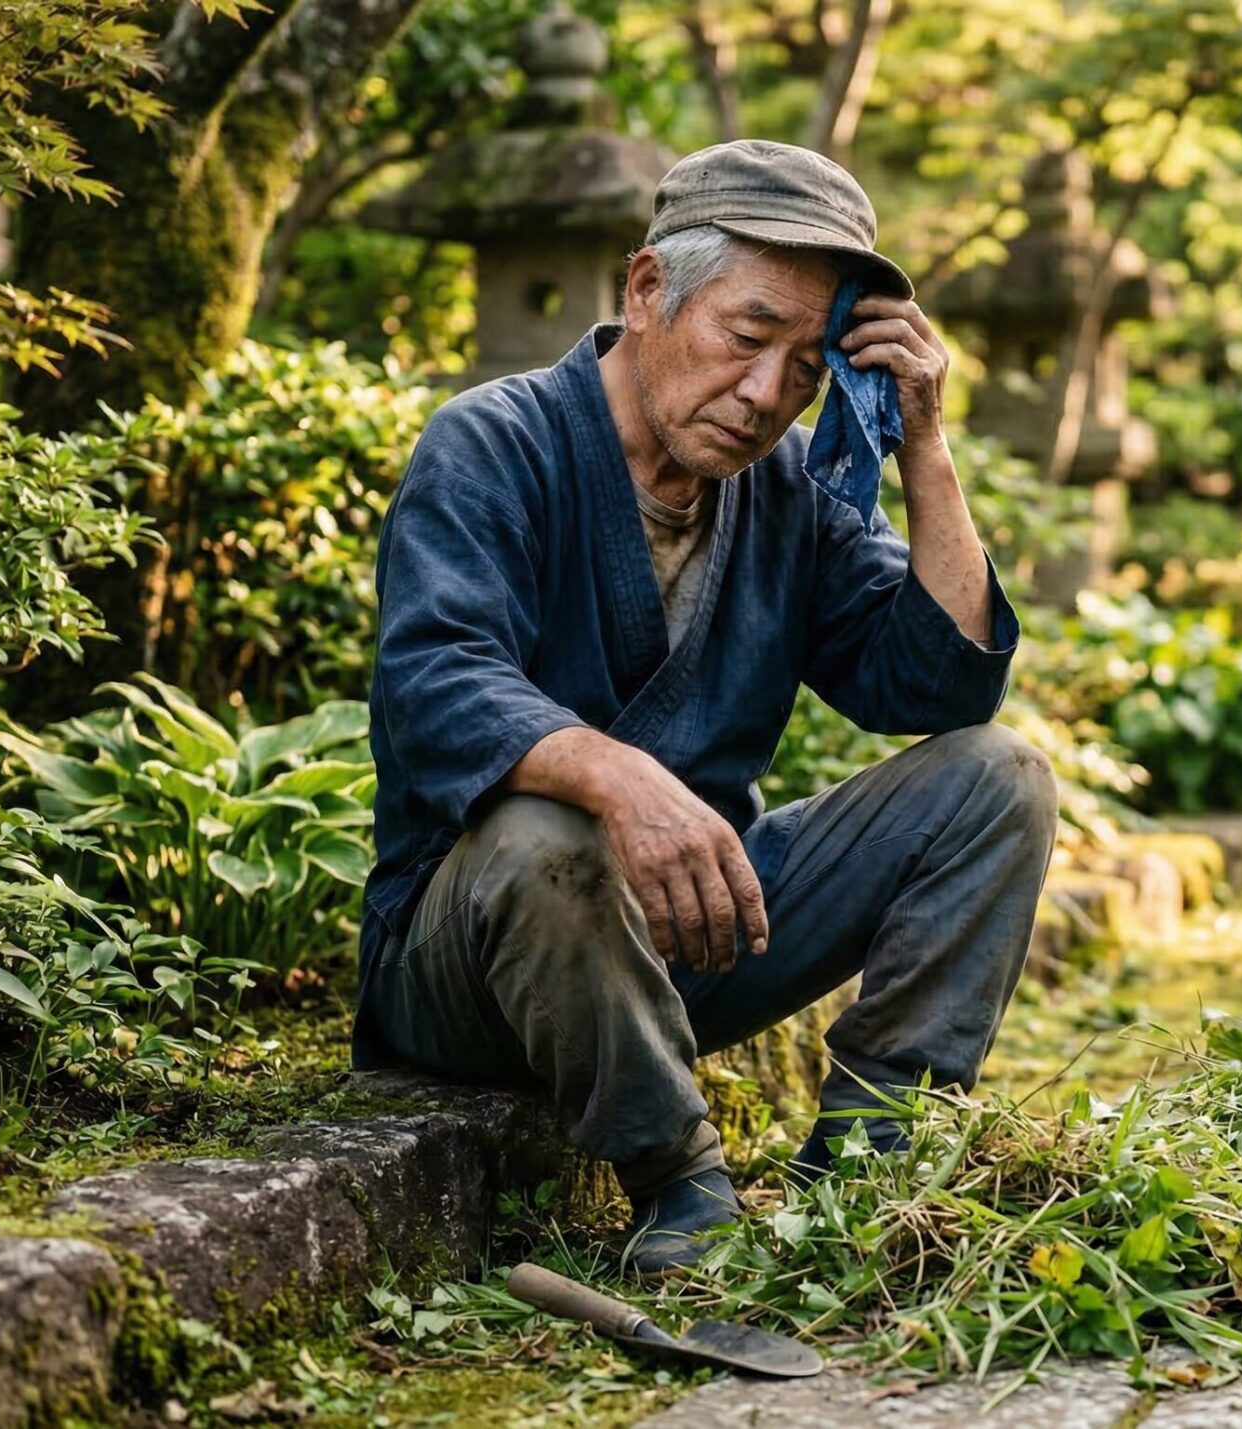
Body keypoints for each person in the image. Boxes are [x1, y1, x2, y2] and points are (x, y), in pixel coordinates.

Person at [353, 140, 1057, 1273]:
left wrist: (923, 441)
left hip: (691, 935)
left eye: (807, 370)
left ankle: (872, 1172)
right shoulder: (491, 443)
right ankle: (680, 1184)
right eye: (747, 337)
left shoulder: (790, 492)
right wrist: (616, 777)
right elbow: (437, 679)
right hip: (472, 960)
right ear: (646, 289)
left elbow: (934, 683)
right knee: (551, 830)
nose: (767, 395)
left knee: (997, 778)